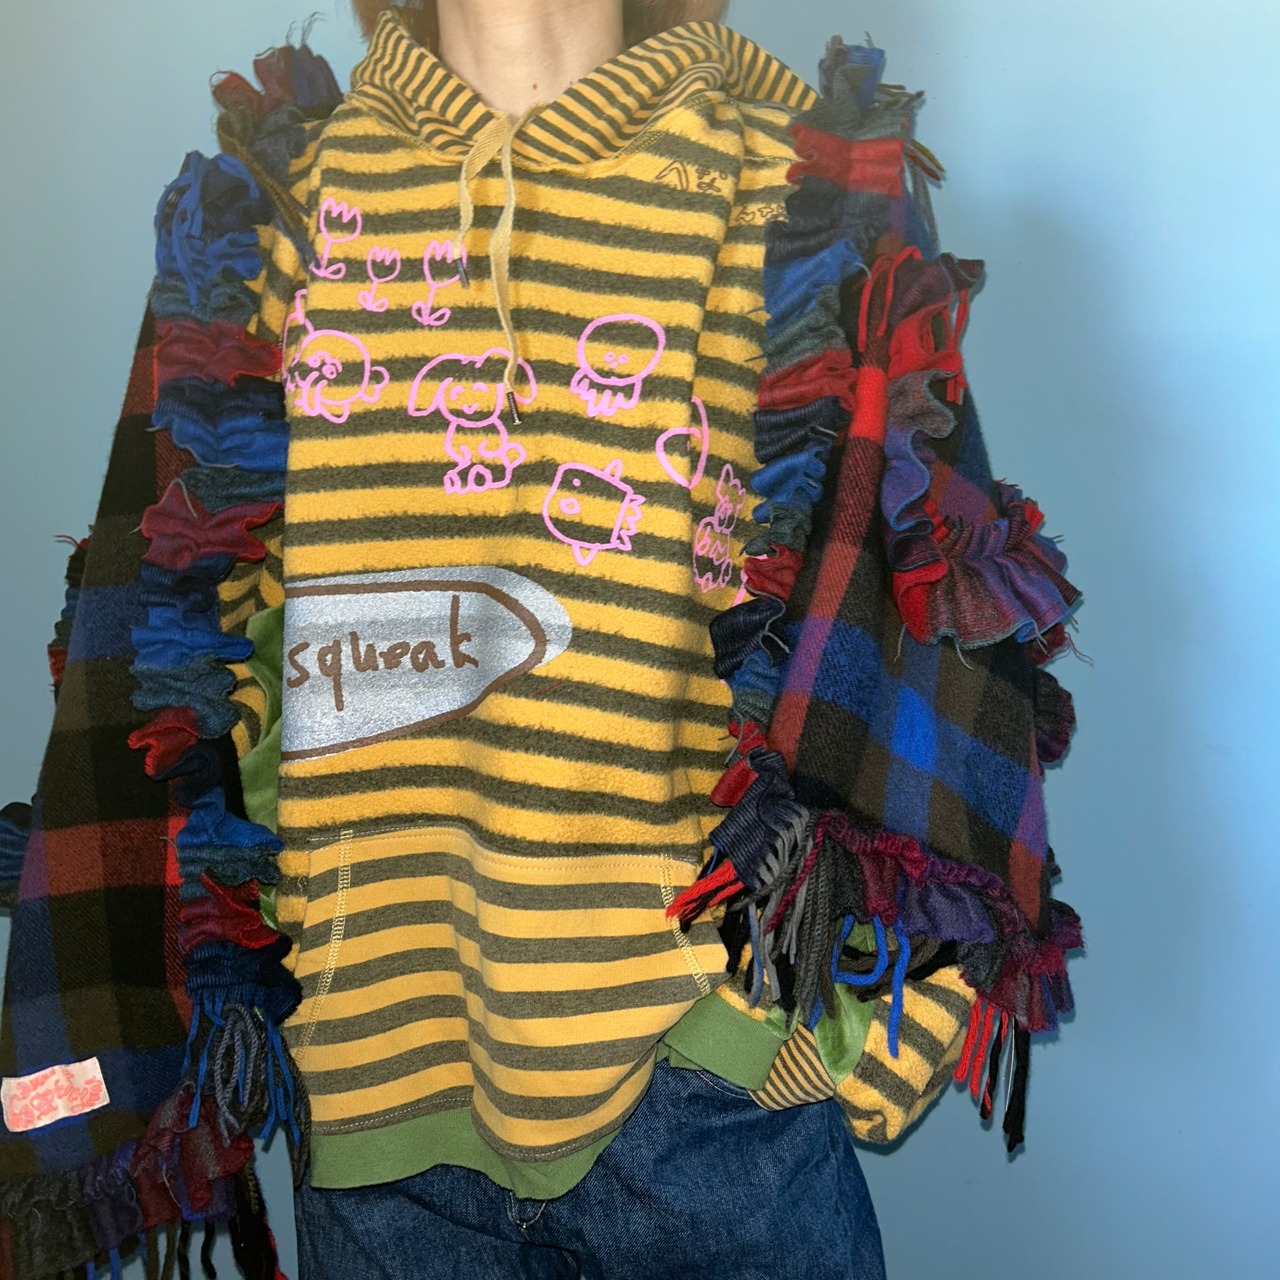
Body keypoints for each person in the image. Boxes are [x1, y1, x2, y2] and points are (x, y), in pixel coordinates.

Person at [0, 2, 1084, 1278]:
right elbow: (154, 658)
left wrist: (882, 1008)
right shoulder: (276, 206)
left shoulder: (797, 182)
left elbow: (930, 612)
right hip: (377, 1114)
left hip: (715, 1096)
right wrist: (115, 1065)